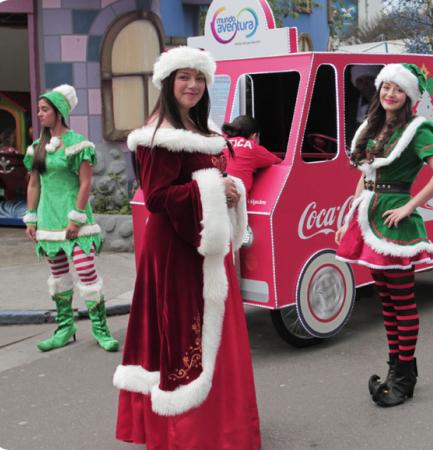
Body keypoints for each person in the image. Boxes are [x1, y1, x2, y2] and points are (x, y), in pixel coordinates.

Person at [112, 46, 260, 448]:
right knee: (184, 334)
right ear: (167, 82)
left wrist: (228, 189)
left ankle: (221, 426)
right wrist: (216, 189)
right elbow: (157, 196)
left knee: (211, 331)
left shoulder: (200, 128)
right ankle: (189, 433)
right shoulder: (159, 135)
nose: (192, 85)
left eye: (199, 78)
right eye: (184, 77)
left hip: (201, 245)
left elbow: (198, 182)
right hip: (177, 250)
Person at [334, 63, 433, 407]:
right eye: (385, 87)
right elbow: (365, 175)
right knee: (385, 298)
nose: (389, 94)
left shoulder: (418, 130)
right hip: (369, 217)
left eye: (397, 89)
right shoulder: (372, 127)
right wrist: (350, 215)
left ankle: (403, 377)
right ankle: (396, 370)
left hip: (393, 219)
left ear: (408, 96)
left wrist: (409, 206)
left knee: (401, 300)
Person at [22, 84, 118, 352]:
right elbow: (34, 184)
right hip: (48, 220)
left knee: (86, 272)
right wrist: (31, 218)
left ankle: (101, 329)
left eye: (44, 110)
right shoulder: (37, 147)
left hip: (75, 218)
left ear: (59, 112)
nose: (39, 114)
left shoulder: (78, 144)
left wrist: (75, 219)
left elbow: (86, 184)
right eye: (39, 110)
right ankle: (65, 328)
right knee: (59, 276)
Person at [222, 115, 281, 194]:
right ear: (254, 136)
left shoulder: (221, 143)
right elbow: (279, 162)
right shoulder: (252, 147)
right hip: (233, 201)